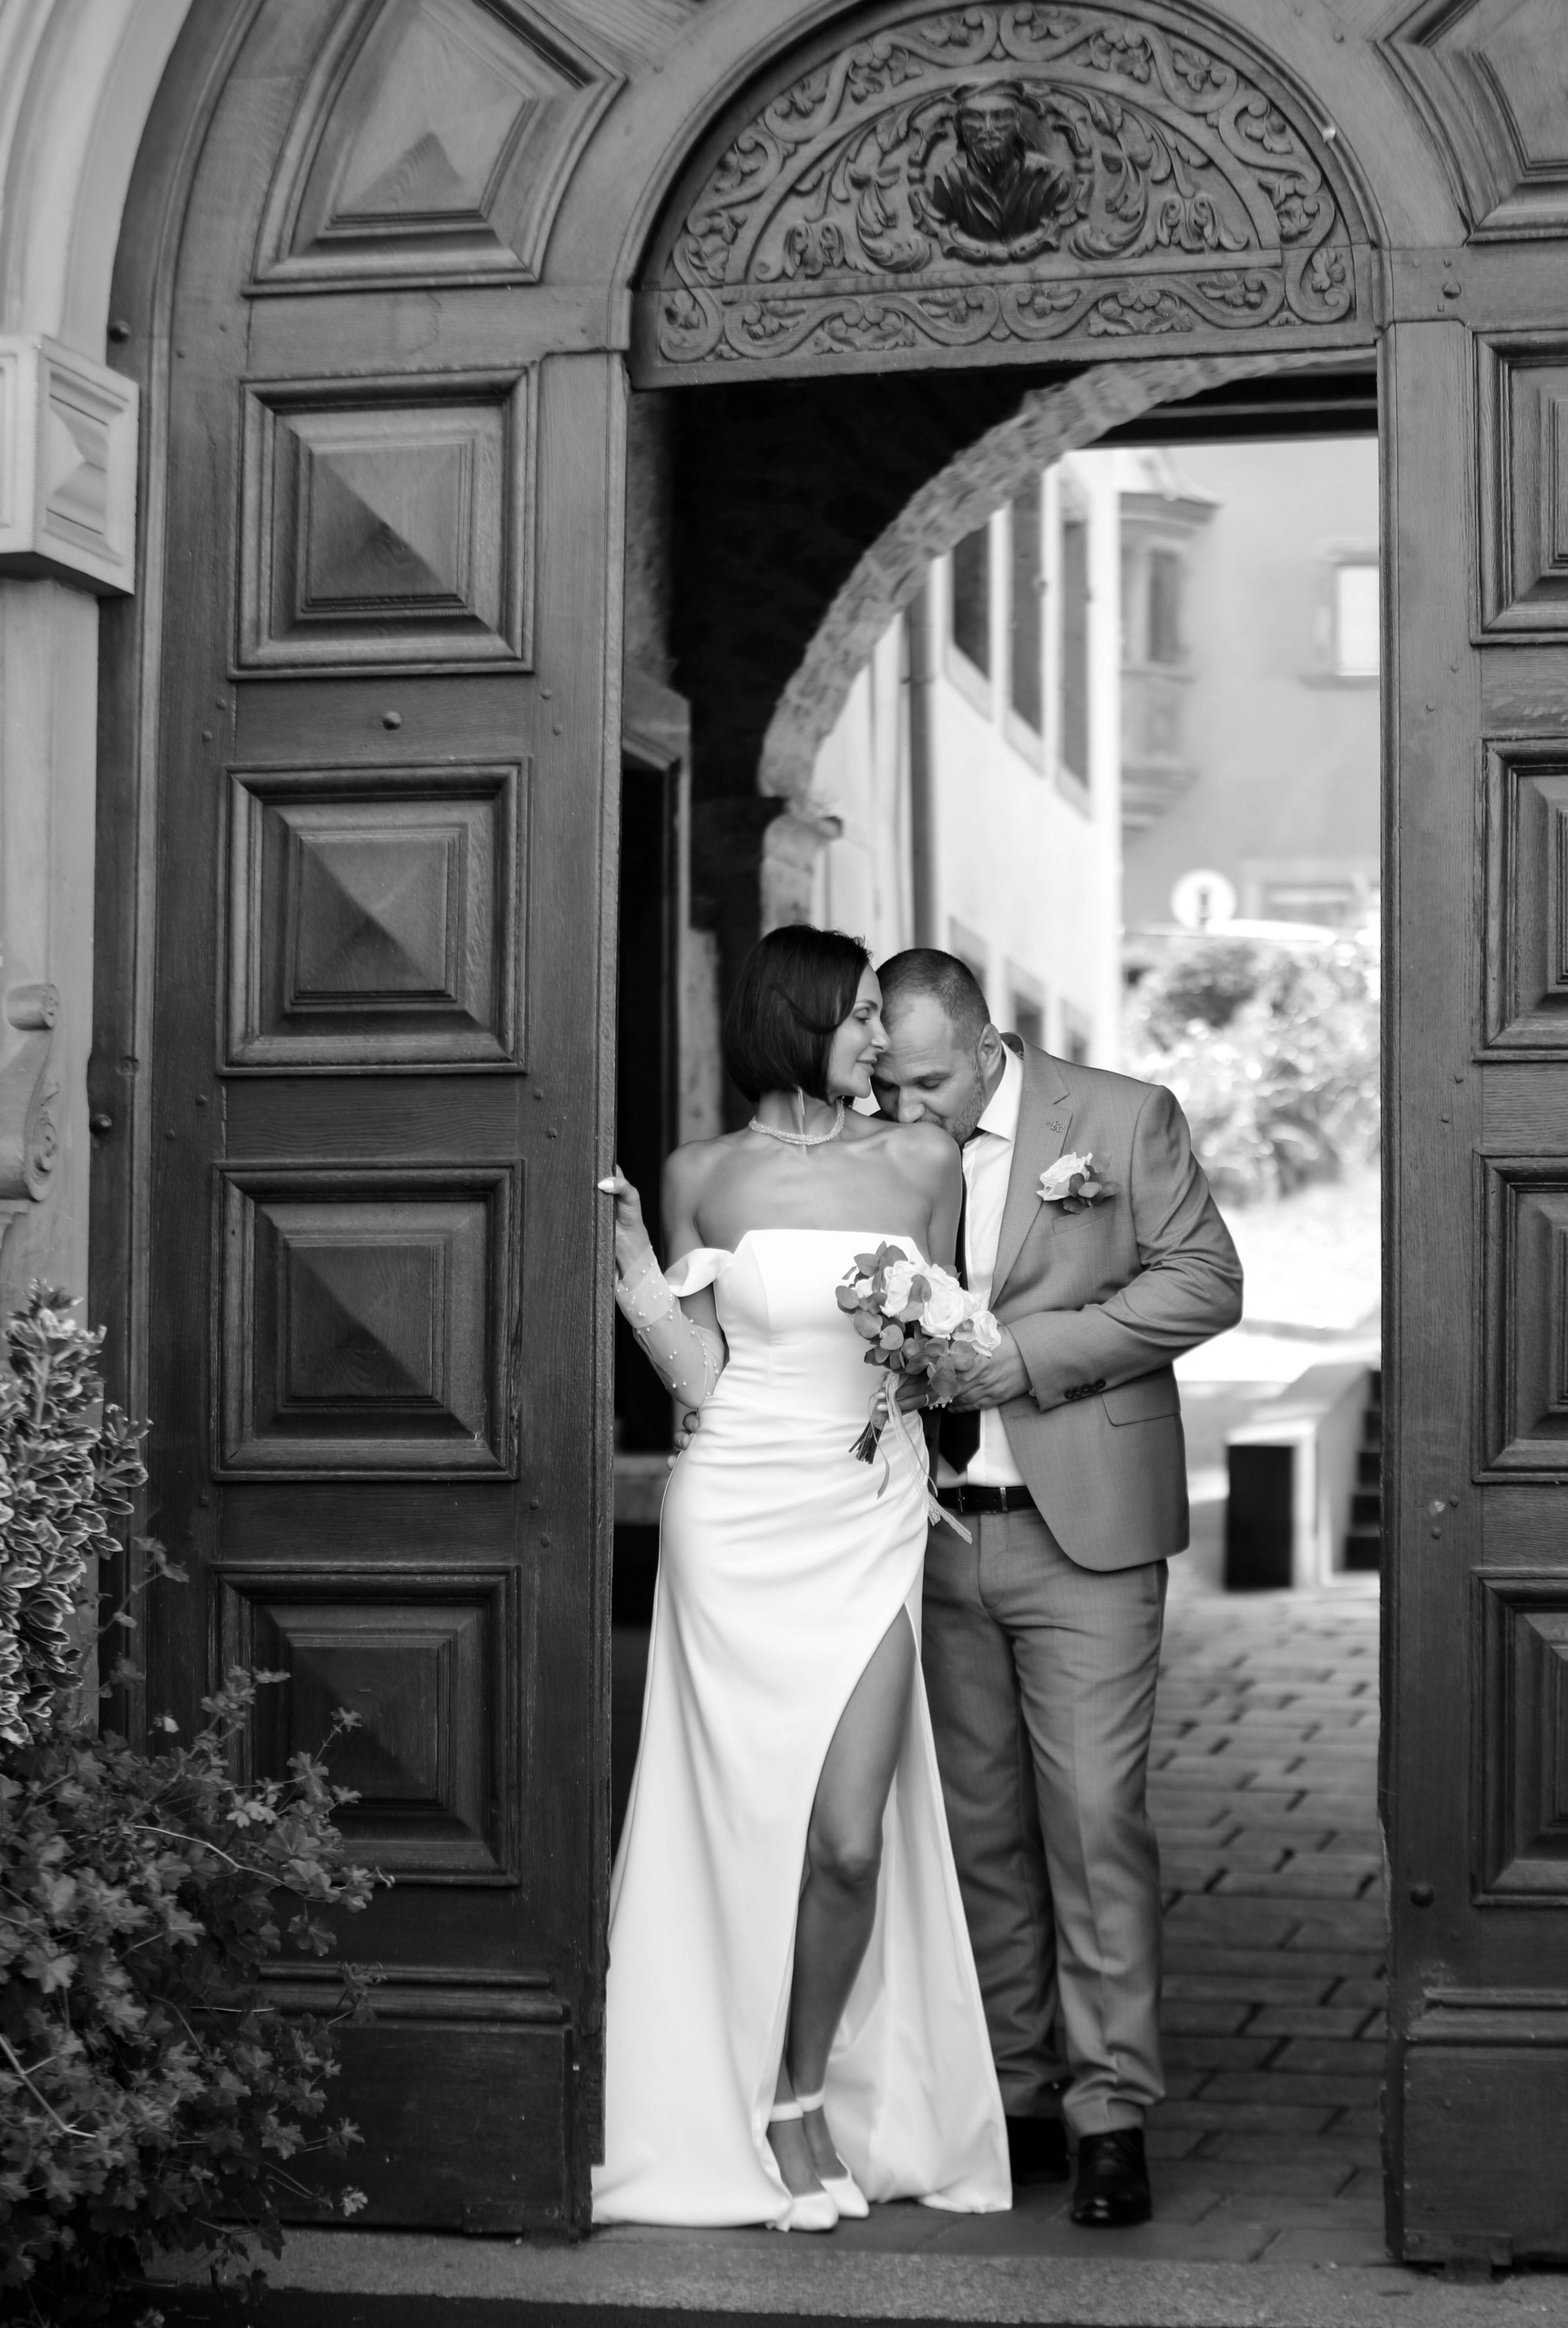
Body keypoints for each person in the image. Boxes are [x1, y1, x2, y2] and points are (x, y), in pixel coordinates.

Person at [593, 926, 1009, 2231]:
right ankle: (755, 2110)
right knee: (737, 1825)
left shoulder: (921, 1161)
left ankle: (802, 2087)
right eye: (864, 1014)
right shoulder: (700, 1174)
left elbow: (943, 1351)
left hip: (867, 1514)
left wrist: (939, 1361)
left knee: (848, 1839)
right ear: (800, 1017)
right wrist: (634, 1270)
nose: (882, 1038)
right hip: (734, 1515)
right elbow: (700, 1375)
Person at [872, 948, 1243, 2229]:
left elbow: (1206, 1280)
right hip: (933, 1534)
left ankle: (1109, 2114)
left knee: (1093, 1822)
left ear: (987, 1049)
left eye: (929, 1083)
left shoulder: (1124, 1119)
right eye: (890, 1083)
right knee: (976, 1830)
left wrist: (1029, 1356)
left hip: (1083, 1531)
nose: (907, 1108)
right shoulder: (878, 1144)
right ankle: (1017, 2092)